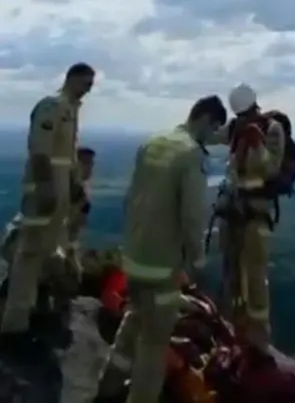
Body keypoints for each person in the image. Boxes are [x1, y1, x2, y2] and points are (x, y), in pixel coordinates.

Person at [96, 95, 228, 403]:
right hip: (162, 265)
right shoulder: (191, 155)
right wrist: (196, 258)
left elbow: (133, 197)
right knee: (154, 346)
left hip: (134, 256)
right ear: (207, 120)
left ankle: (108, 386)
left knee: (134, 322)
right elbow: (192, 215)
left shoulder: (153, 143)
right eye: (215, 129)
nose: (214, 137)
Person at [0, 62, 94, 353]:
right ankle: (13, 326)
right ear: (71, 78)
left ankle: (31, 310)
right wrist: (47, 189)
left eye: (91, 84)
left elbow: (66, 156)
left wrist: (75, 184)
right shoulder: (52, 106)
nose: (88, 89)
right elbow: (40, 151)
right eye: (85, 83)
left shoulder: (70, 111)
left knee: (45, 253)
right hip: (44, 195)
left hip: (59, 195)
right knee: (29, 257)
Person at [211, 82, 286, 348]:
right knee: (231, 269)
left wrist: (258, 147)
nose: (243, 120)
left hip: (255, 209)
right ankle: (234, 330)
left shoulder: (272, 130)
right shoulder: (234, 129)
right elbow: (209, 137)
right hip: (232, 207)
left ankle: (259, 338)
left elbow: (272, 170)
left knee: (254, 274)